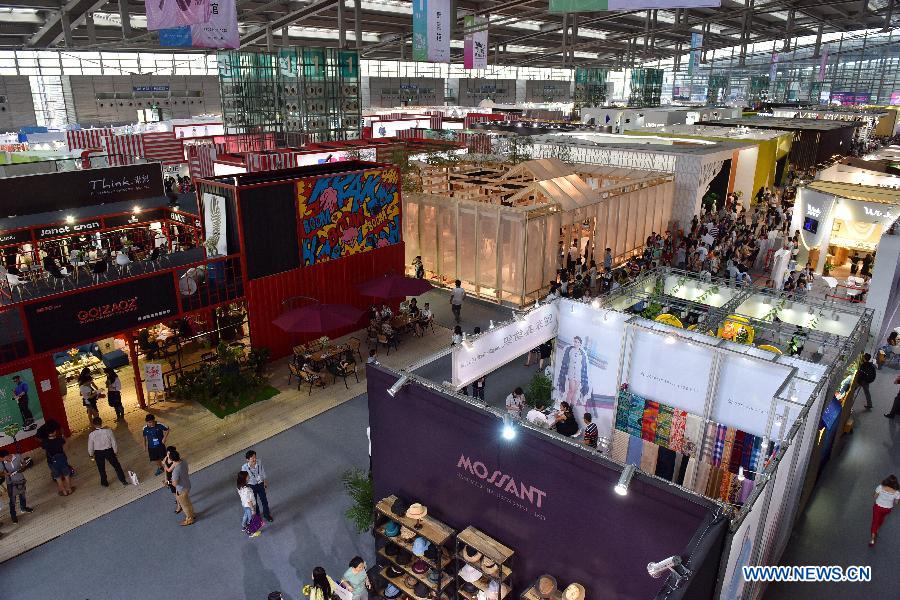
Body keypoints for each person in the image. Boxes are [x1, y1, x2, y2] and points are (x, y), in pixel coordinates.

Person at [87, 417, 128, 487]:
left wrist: (91, 454)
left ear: (93, 424)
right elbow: (113, 442)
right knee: (117, 466)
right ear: (101, 423)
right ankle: (123, 480)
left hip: (98, 453)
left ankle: (104, 483)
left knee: (101, 469)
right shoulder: (108, 431)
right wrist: (115, 451)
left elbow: (90, 446)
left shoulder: (91, 434)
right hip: (109, 451)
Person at [0, 449, 34, 523]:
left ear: (6, 456)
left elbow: (24, 463)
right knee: (12, 500)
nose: (1, 459)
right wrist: (5, 474)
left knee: (22, 495)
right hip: (10, 483)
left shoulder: (18, 456)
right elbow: (0, 473)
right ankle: (13, 516)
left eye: (2, 458)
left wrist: (23, 466)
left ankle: (23, 508)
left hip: (20, 479)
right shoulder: (2, 463)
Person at [40, 422, 73, 496]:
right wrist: (63, 436)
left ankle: (64, 491)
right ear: (54, 431)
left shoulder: (44, 442)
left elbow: (44, 450)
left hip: (51, 462)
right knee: (66, 474)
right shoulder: (60, 439)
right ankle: (69, 489)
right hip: (62, 460)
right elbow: (67, 447)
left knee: (58, 477)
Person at [556, 336, 590, 407]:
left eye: (578, 342)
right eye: (575, 341)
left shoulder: (582, 353)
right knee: (571, 390)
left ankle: (572, 406)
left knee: (575, 391)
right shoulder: (569, 350)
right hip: (571, 373)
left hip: (578, 374)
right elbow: (566, 361)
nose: (576, 343)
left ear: (580, 343)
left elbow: (584, 365)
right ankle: (566, 406)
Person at [242, 450, 273, 523]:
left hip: (260, 484)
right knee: (255, 503)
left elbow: (262, 471)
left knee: (264, 500)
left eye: (255, 457)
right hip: (251, 486)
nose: (254, 459)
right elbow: (243, 479)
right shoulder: (244, 467)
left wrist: (264, 481)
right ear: (247, 460)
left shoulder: (259, 462)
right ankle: (258, 516)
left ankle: (266, 514)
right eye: (252, 458)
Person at [870, 474, 900, 546]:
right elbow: (896, 502)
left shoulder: (880, 487)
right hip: (887, 509)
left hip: (878, 507)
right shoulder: (897, 492)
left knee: (875, 522)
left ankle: (872, 540)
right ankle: (877, 529)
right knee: (881, 518)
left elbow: (874, 496)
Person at [168, 449, 194, 526]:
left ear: (172, 459)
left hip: (181, 489)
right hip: (187, 485)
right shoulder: (183, 461)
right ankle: (192, 514)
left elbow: (175, 484)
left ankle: (189, 519)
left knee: (185, 506)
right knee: (188, 502)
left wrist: (170, 482)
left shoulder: (176, 471)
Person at [237, 471, 259, 536]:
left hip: (244, 505)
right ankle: (251, 532)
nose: (249, 476)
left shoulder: (239, 486)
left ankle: (243, 526)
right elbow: (249, 501)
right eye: (247, 476)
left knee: (246, 515)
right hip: (249, 506)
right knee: (251, 519)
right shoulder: (246, 489)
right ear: (245, 478)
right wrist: (253, 510)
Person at [163, 445, 179, 512]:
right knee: (173, 491)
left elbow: (169, 469)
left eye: (169, 453)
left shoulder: (174, 461)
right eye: (167, 453)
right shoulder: (166, 458)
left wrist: (164, 464)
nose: (168, 455)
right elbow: (165, 470)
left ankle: (179, 505)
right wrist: (166, 478)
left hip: (174, 477)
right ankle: (178, 500)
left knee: (177, 491)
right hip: (169, 477)